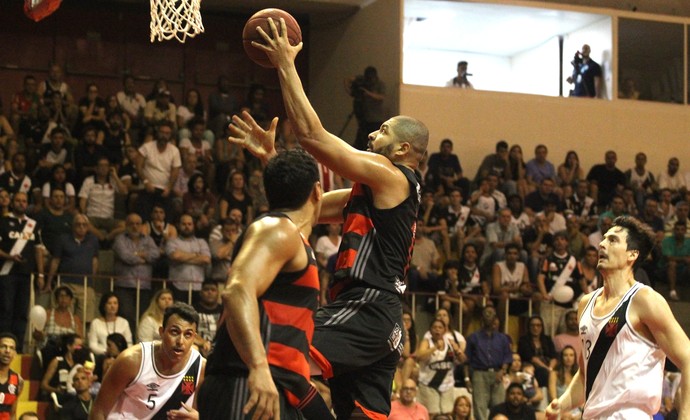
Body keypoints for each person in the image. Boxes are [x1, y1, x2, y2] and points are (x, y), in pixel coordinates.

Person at [243, 18, 429, 419]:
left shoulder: (393, 176)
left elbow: (312, 135)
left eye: (381, 132)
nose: (371, 137)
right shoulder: (376, 193)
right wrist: (272, 162)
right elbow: (304, 208)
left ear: (402, 150)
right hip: (378, 317)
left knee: (277, 354)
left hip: (367, 306)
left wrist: (284, 64)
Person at [198, 150, 333, 419]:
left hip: (279, 385)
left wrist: (274, 161)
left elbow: (348, 204)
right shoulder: (279, 230)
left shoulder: (288, 235)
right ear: (318, 191)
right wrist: (258, 366)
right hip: (248, 381)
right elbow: (237, 290)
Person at [546, 216, 690, 419]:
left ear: (632, 254)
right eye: (603, 239)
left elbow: (687, 357)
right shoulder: (586, 303)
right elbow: (586, 374)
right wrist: (563, 403)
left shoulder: (644, 299)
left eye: (613, 240)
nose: (602, 244)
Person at [90, 303, 205, 420]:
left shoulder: (201, 368)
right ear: (161, 332)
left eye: (188, 335)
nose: (180, 341)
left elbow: (199, 412)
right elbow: (99, 411)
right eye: (174, 332)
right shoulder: (131, 360)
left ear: (194, 338)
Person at [0, 192, 45, 350]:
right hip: (6, 273)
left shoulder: (33, 224)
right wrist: (9, 256)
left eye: (24, 201)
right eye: (18, 200)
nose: (21, 203)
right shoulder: (3, 221)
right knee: (6, 311)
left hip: (26, 275)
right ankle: (3, 346)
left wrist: (40, 274)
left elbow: (38, 250)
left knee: (21, 313)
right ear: (12, 202)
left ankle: (17, 349)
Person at [47, 214, 100, 323]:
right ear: (73, 226)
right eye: (78, 224)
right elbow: (55, 261)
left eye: (84, 225)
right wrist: (48, 283)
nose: (81, 227)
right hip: (66, 284)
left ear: (88, 226)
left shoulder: (93, 240)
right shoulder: (63, 239)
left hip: (85, 285)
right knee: (63, 318)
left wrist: (92, 282)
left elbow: (95, 261)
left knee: (85, 320)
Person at [112, 213, 160, 333]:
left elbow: (155, 255)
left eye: (137, 224)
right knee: (127, 316)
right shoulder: (120, 239)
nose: (135, 227)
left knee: (143, 317)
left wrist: (135, 254)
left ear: (142, 225)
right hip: (124, 285)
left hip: (144, 286)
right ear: (126, 225)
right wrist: (143, 257)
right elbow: (125, 256)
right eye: (131, 224)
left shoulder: (148, 239)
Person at [464, 306, 513, 420]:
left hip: (497, 373)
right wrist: (467, 379)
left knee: (499, 406)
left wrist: (503, 370)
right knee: (479, 407)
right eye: (486, 313)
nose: (488, 315)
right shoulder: (473, 337)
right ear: (482, 317)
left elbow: (507, 356)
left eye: (491, 313)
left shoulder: (503, 338)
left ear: (495, 318)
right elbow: (467, 360)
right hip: (479, 374)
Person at [416, 318, 463, 417]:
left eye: (440, 327)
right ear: (430, 330)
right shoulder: (426, 342)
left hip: (447, 384)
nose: (437, 330)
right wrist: (435, 347)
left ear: (445, 330)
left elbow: (463, 360)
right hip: (429, 384)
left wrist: (457, 350)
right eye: (434, 327)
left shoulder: (450, 342)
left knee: (448, 414)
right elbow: (419, 356)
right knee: (433, 414)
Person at [165, 214, 211, 303]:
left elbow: (206, 259)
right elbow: (175, 256)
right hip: (178, 286)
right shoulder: (172, 242)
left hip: (198, 287)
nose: (187, 227)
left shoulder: (201, 242)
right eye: (184, 224)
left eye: (189, 224)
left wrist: (183, 256)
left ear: (193, 226)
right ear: (179, 225)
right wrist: (196, 255)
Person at [346, 65, 387, 151]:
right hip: (365, 119)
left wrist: (368, 93)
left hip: (376, 119)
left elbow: (381, 97)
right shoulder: (364, 83)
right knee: (361, 141)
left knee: (376, 141)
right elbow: (348, 80)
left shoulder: (380, 84)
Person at [87, 292, 133, 356]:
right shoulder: (96, 323)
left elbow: (129, 343)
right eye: (109, 303)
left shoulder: (124, 322)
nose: (113, 306)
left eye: (115, 303)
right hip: (102, 356)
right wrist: (108, 352)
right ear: (104, 305)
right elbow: (92, 345)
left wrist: (119, 353)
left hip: (120, 356)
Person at [547, 346, 579, 419]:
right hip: (559, 409)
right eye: (565, 355)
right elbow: (553, 398)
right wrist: (562, 412)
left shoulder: (578, 374)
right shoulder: (554, 374)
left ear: (575, 357)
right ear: (561, 358)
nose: (568, 358)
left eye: (571, 355)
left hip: (577, 409)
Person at [661, 221, 690, 301]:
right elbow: (668, 258)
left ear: (685, 231)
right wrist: (684, 259)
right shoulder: (667, 241)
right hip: (665, 269)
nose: (679, 232)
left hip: (684, 269)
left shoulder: (688, 242)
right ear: (674, 230)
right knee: (672, 264)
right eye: (677, 229)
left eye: (682, 230)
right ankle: (672, 292)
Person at [192, 280, 222, 357]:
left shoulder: (224, 310)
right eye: (206, 289)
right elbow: (189, 331)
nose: (209, 292)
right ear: (201, 292)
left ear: (218, 293)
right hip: (198, 346)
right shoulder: (192, 310)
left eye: (213, 290)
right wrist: (202, 343)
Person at [0, 332, 24, 420]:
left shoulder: (18, 381)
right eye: (3, 346)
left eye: (11, 348)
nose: (7, 351)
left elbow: (12, 413)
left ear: (15, 354)